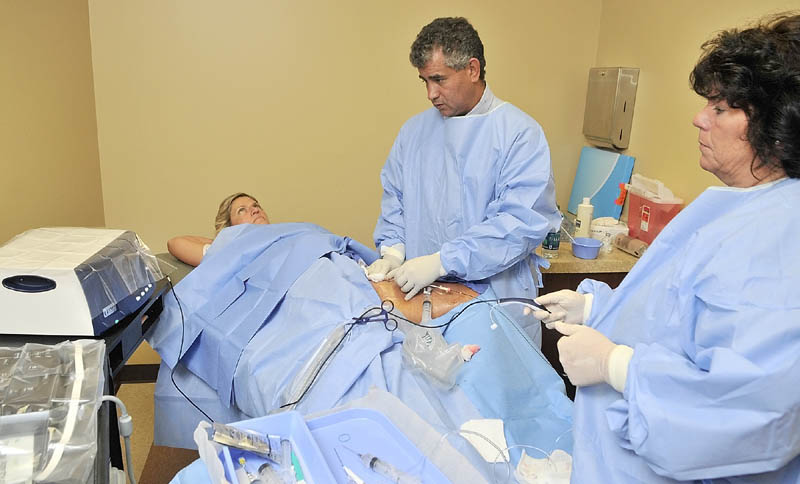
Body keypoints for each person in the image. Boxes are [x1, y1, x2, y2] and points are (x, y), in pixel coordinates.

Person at [533, 13, 800, 482]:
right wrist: (596, 310)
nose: (699, 118)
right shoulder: (741, 211)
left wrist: (616, 365)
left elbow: (750, 414)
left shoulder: (780, 240)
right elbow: (680, 319)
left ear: (780, 127)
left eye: (720, 108)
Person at [366, 17, 560, 345]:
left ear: (472, 69)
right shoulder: (414, 134)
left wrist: (443, 260)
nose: (430, 93)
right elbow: (395, 200)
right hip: (422, 307)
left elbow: (519, 223)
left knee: (493, 392)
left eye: (439, 79)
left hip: (495, 310)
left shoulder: (518, 135)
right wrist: (393, 253)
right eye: (424, 81)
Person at [167, 192, 269, 266]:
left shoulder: (284, 236)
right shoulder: (228, 255)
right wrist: (225, 241)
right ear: (229, 228)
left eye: (256, 205)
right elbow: (175, 243)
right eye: (242, 210)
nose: (255, 210)